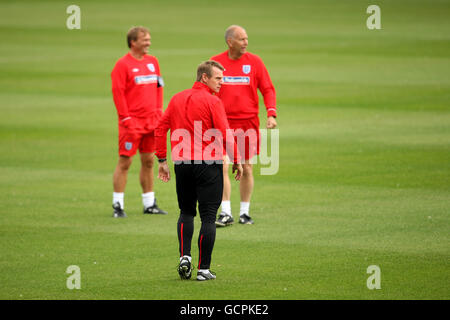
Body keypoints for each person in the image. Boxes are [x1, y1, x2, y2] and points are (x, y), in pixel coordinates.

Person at [155, 61, 243, 281]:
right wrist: (237, 160)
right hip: (208, 164)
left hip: (182, 165)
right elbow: (225, 133)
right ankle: (204, 269)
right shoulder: (213, 101)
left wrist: (162, 159)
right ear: (204, 78)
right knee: (208, 217)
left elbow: (160, 128)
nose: (222, 83)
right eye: (218, 79)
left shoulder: (176, 98)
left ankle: (185, 256)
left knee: (186, 212)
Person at [211, 25, 277, 226]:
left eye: (247, 39)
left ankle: (244, 213)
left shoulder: (255, 62)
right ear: (230, 42)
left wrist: (271, 113)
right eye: (241, 39)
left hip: (248, 122)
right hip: (222, 122)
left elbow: (267, 88)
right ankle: (226, 212)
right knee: (222, 166)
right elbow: (206, 91)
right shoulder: (216, 62)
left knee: (247, 167)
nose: (246, 42)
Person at [110, 26, 167, 218]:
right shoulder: (122, 65)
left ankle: (149, 203)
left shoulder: (153, 62)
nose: (149, 43)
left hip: (151, 121)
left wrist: (159, 110)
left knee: (149, 161)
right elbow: (118, 93)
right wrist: (125, 117)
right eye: (145, 40)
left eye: (149, 39)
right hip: (131, 122)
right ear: (133, 42)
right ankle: (118, 205)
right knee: (125, 161)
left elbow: (159, 87)